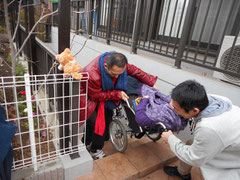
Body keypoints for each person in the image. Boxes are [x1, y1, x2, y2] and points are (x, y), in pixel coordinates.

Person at [80, 52, 158, 159]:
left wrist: (151, 83)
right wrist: (117, 94)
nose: (117, 76)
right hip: (91, 99)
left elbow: (136, 71)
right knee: (96, 124)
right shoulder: (91, 73)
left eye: (120, 73)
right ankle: (94, 149)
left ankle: (91, 142)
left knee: (106, 120)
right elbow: (96, 95)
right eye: (114, 74)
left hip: (107, 96)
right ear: (106, 66)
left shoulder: (118, 65)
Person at [161, 80, 240, 180]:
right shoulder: (213, 100)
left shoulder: (209, 128)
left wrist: (170, 139)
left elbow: (194, 158)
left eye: (176, 108)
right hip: (228, 139)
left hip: (234, 157)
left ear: (195, 111)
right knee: (191, 143)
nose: (172, 108)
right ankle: (182, 172)